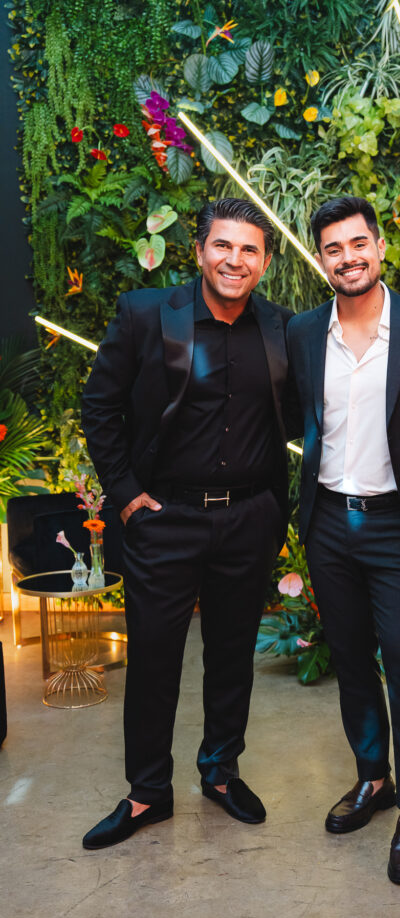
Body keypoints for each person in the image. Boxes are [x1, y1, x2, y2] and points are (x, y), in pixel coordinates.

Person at [80, 197, 295, 849]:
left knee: (232, 656)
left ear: (265, 262)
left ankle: (221, 773)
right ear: (199, 250)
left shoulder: (283, 328)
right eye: (223, 245)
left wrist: (278, 510)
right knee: (153, 660)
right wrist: (125, 496)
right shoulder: (146, 314)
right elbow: (100, 406)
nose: (235, 260)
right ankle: (148, 791)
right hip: (164, 518)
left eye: (250, 249)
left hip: (249, 518)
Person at [287, 196, 400, 885]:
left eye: (358, 243)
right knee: (351, 659)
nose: (348, 257)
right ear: (320, 259)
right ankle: (373, 778)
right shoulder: (302, 332)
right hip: (329, 521)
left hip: (398, 525)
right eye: (333, 248)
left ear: (380, 247)